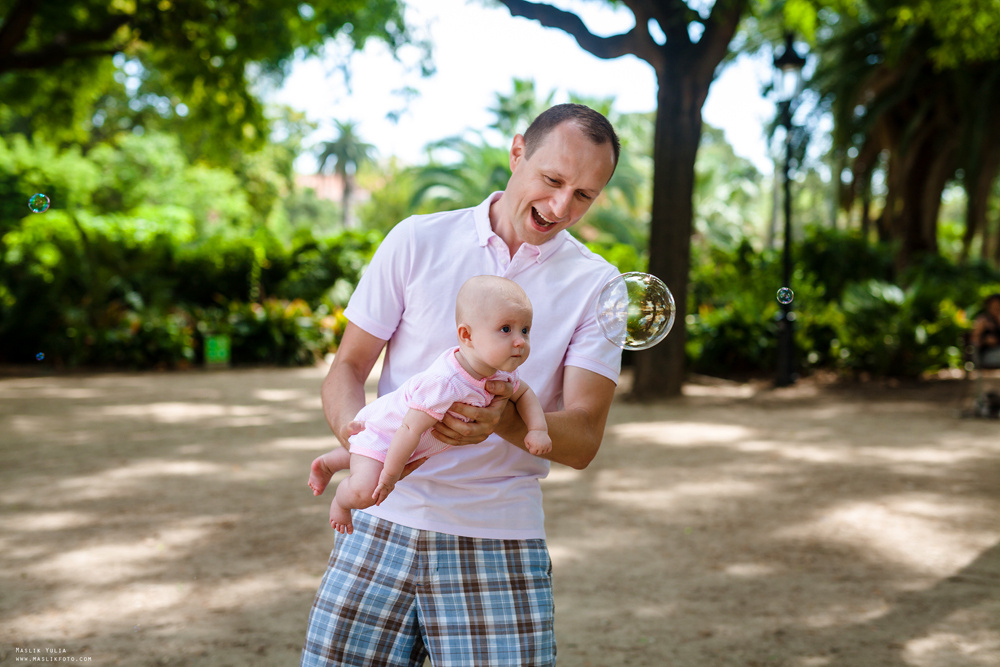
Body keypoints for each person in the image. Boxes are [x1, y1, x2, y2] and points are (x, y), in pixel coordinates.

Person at [301, 103, 623, 667]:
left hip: (500, 542)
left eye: (584, 196)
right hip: (378, 527)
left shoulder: (598, 285)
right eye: (552, 180)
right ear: (517, 151)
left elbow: (586, 437)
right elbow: (348, 370)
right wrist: (369, 452)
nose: (560, 207)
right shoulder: (416, 239)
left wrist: (504, 423)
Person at [307, 275, 552, 534]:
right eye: (506, 329)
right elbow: (408, 430)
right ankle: (342, 501)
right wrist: (390, 478)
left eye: (525, 330)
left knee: (371, 459)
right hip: (388, 433)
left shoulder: (501, 373)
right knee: (367, 491)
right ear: (467, 335)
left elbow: (524, 394)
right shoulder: (444, 383)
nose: (520, 341)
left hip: (404, 445)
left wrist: (537, 429)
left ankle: (329, 463)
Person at [971, 292, 1000, 367]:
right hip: (986, 355)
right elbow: (974, 341)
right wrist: (985, 341)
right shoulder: (983, 320)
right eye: (994, 305)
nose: (996, 307)